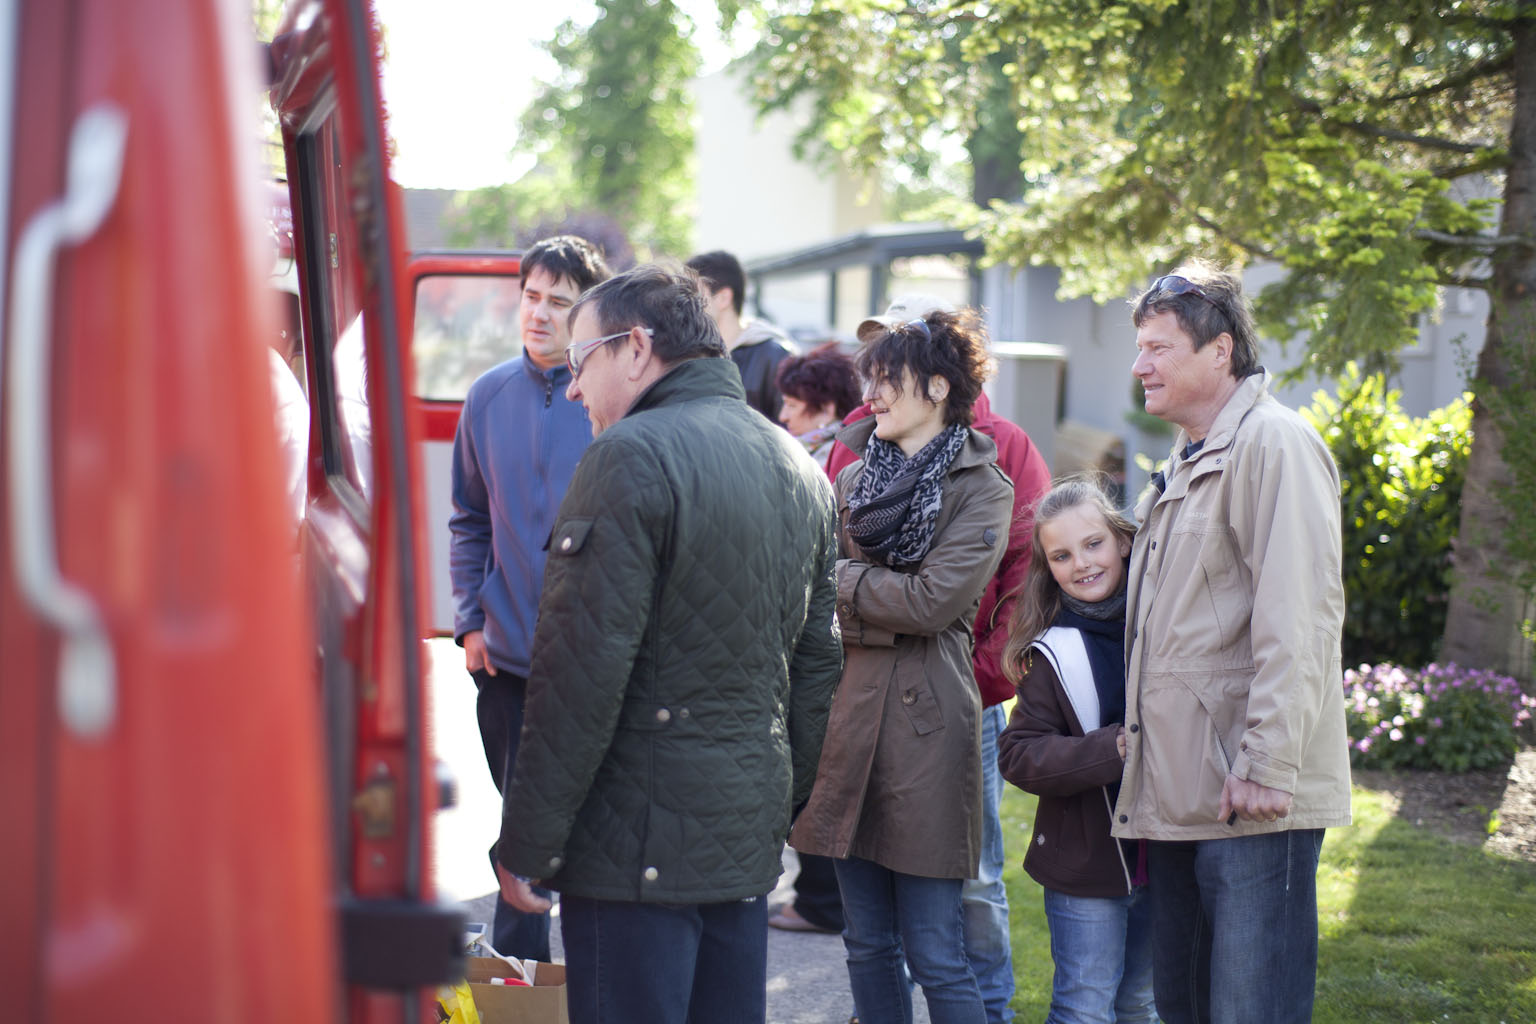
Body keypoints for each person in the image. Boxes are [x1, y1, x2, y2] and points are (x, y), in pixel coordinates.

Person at [493, 265, 844, 1024]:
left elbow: (579, 675)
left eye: (580, 360)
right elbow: (818, 668)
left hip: (629, 852)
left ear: (638, 348)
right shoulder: (799, 467)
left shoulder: (628, 457)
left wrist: (527, 843)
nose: (576, 388)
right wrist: (770, 805)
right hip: (738, 842)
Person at [1117, 264, 1350, 1024]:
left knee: (1252, 1010)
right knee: (1187, 1007)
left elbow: (1301, 615)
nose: (1139, 365)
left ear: (1219, 351)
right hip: (1189, 798)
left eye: (1158, 348)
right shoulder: (1189, 457)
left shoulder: (1275, 444)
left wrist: (1270, 760)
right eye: (1138, 347)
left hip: (1252, 798)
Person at [829, 294, 1051, 1024]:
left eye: (889, 376)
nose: (872, 394)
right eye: (870, 376)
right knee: (864, 940)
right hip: (852, 720)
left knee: (935, 943)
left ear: (938, 386)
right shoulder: (856, 476)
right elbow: (830, 599)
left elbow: (934, 604)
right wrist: (870, 602)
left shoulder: (986, 483)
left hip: (933, 727)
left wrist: (848, 589)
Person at [447, 234, 610, 960]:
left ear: (587, 316)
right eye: (531, 296)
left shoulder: (611, 402)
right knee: (520, 833)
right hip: (508, 661)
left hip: (598, 662)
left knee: (595, 833)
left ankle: (604, 987)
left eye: (558, 301)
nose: (538, 313)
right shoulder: (485, 396)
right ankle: (519, 989)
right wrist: (470, 621)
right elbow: (469, 517)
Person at [997, 478, 1157, 1024]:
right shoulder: (1054, 651)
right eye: (1061, 555)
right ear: (1049, 567)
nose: (1082, 564)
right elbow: (1018, 753)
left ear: (1124, 541)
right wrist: (1113, 747)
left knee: (1142, 1003)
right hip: (1088, 862)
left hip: (1164, 854)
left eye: (1093, 544)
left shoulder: (1164, 621)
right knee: (1084, 1007)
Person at [765, 340, 862, 937]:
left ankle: (823, 901)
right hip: (832, 635)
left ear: (825, 408)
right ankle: (821, 896)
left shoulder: (827, 463)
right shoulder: (825, 455)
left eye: (795, 406)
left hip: (832, 641)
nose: (783, 417)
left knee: (820, 776)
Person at [685, 249, 796, 419]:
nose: (685, 303)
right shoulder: (688, 355)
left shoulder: (774, 357)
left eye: (693, 294)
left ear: (723, 298)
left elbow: (789, 428)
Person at [775, 342, 862, 470]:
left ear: (826, 410)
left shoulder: (834, 459)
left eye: (792, 405)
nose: (782, 417)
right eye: (784, 403)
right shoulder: (802, 449)